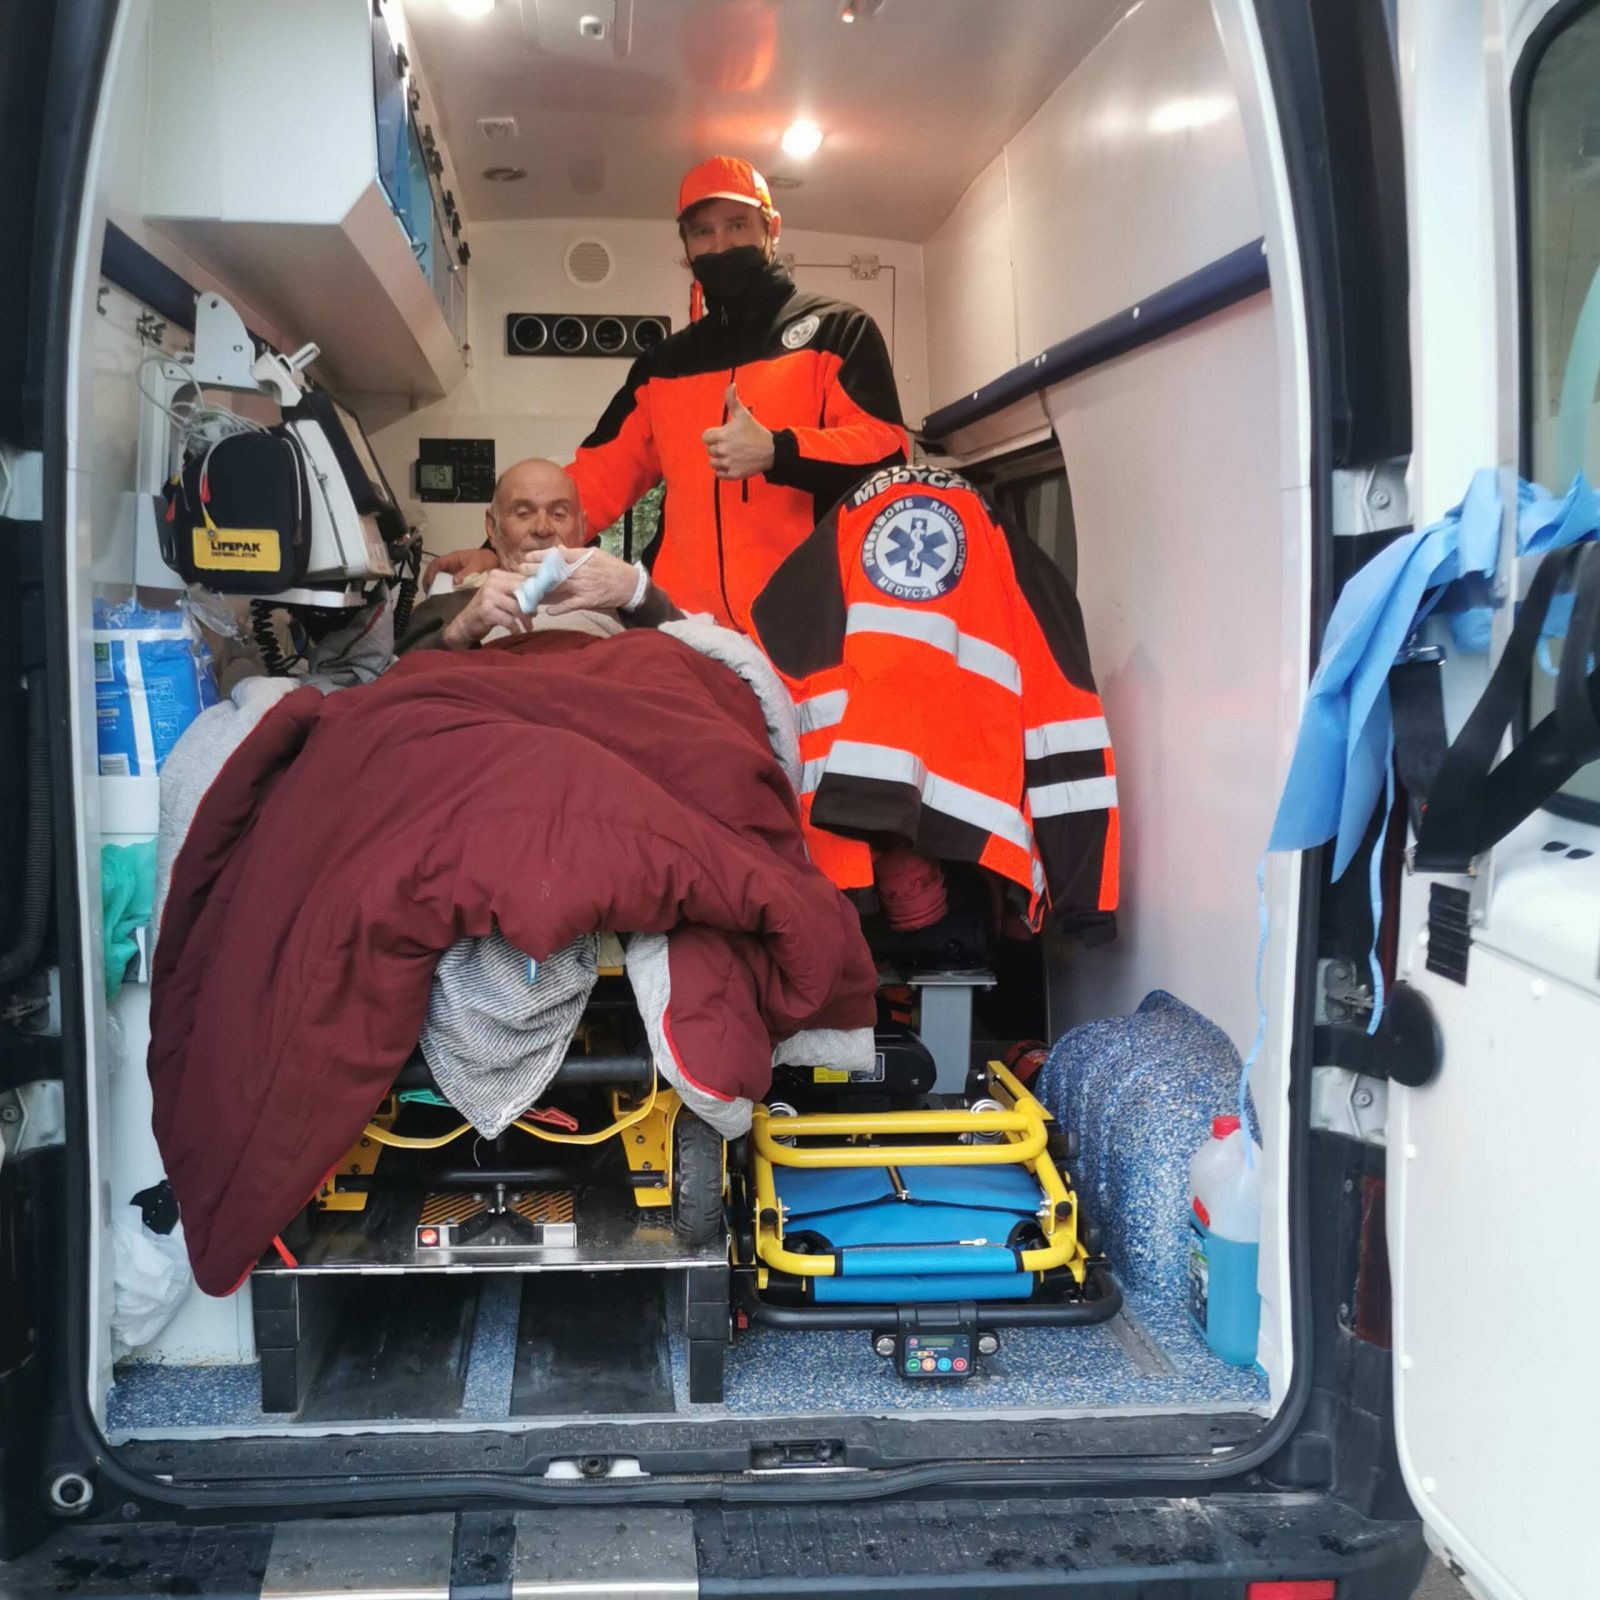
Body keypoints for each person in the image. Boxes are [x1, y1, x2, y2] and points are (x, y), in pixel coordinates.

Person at [424, 156, 909, 632]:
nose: (721, 245)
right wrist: (493, 550)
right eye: (702, 232)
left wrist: (778, 451)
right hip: (683, 624)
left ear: (772, 229)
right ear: (686, 248)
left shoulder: (838, 330)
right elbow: (597, 477)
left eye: (737, 225)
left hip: (803, 622)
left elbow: (886, 453)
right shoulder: (663, 366)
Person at [401, 457, 677, 654]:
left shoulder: (620, 602)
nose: (542, 528)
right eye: (523, 513)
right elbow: (394, 681)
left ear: (582, 528)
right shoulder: (453, 607)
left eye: (558, 514)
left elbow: (691, 656)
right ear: (493, 529)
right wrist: (460, 631)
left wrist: (640, 592)